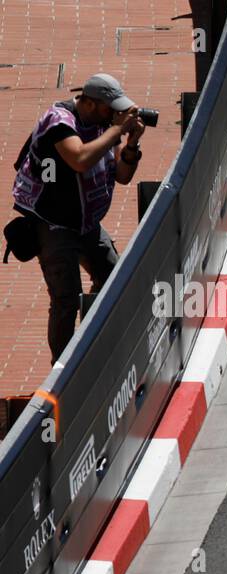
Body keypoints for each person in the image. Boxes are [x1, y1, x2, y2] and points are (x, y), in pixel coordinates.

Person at [11, 74, 147, 360]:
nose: (115, 115)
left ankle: (90, 343)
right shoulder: (58, 121)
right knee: (65, 299)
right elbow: (80, 158)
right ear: (90, 102)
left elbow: (122, 176)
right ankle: (62, 370)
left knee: (112, 278)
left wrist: (131, 145)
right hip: (53, 223)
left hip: (86, 223)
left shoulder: (102, 127)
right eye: (110, 108)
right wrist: (116, 131)